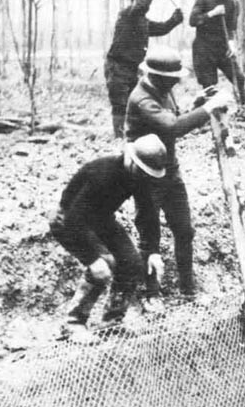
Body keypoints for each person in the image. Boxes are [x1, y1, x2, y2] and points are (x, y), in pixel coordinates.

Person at [126, 47, 231, 306]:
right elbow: (172, 127)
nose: (176, 81)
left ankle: (188, 290)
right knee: (150, 237)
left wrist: (197, 103)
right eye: (172, 78)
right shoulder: (142, 98)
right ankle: (151, 294)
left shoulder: (162, 89)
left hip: (170, 170)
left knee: (184, 230)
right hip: (146, 175)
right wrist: (207, 109)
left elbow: (172, 115)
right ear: (156, 76)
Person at [50, 134, 168, 342]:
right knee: (103, 268)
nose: (144, 177)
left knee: (133, 263)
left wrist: (153, 252)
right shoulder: (102, 174)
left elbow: (148, 214)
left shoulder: (139, 176)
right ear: (130, 159)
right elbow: (73, 220)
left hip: (100, 218)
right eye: (142, 171)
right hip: (68, 220)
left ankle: (112, 322)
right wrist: (92, 258)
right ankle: (72, 324)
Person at [105, 0, 183, 138]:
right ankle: (119, 136)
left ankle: (133, 131)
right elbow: (141, 6)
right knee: (119, 102)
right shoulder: (126, 15)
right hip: (117, 66)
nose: (140, 5)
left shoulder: (143, 23)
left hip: (132, 68)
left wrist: (176, 18)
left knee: (134, 100)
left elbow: (163, 28)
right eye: (138, 2)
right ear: (133, 2)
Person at [189, 0, 245, 105]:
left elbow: (231, 27)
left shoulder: (233, 3)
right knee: (209, 86)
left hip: (223, 48)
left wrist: (232, 44)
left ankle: (243, 107)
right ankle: (209, 117)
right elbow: (192, 21)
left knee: (239, 78)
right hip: (204, 49)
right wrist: (212, 13)